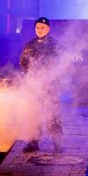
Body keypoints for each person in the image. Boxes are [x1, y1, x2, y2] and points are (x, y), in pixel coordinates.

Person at [19, 17, 63, 153]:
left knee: (53, 113)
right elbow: (23, 62)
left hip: (50, 85)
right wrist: (31, 76)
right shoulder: (30, 45)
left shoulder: (55, 45)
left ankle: (57, 143)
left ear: (48, 29)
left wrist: (54, 76)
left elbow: (63, 63)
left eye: (42, 27)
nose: (39, 30)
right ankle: (33, 142)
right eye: (37, 27)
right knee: (34, 113)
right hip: (34, 85)